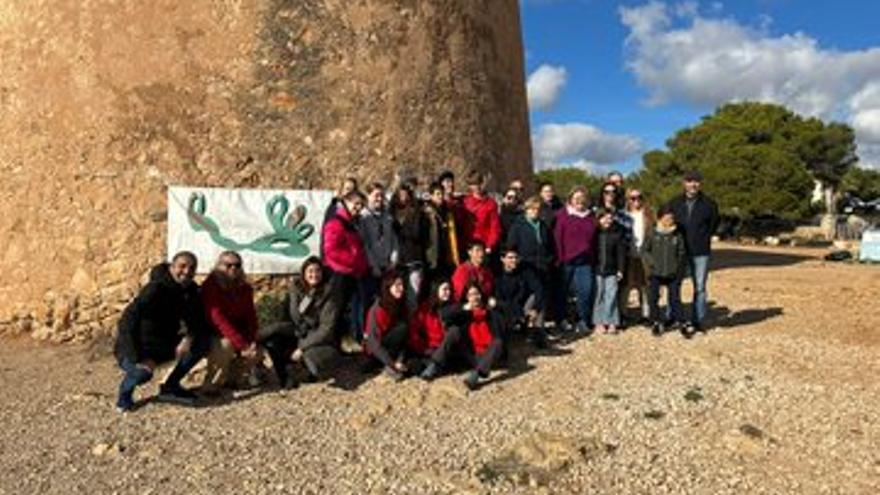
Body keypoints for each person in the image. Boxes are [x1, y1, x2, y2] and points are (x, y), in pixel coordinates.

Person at [113, 251, 209, 412]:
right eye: (182, 266)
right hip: (137, 347)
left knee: (202, 342)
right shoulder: (155, 289)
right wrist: (138, 357)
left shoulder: (190, 291)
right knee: (141, 374)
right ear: (172, 267)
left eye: (191, 268)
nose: (186, 271)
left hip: (163, 345)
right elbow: (127, 321)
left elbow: (197, 320)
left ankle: (170, 387)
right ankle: (124, 396)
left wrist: (188, 337)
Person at [258, 257, 340, 388]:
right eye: (310, 271)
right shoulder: (296, 289)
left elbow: (326, 330)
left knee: (314, 362)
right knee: (273, 340)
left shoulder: (329, 294)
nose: (314, 275)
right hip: (297, 331)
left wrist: (302, 348)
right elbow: (290, 317)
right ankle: (285, 377)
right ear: (304, 273)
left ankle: (308, 371)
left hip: (317, 338)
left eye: (317, 271)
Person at [666, 171, 720, 335]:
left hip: (700, 251)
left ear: (700, 184)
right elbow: (668, 223)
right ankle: (673, 316)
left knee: (700, 287)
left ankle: (698, 320)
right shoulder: (674, 203)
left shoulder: (709, 204)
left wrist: (702, 238)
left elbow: (713, 225)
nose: (693, 184)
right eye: (689, 181)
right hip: (679, 251)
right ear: (684, 183)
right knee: (675, 286)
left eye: (696, 181)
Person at [201, 251, 263, 391]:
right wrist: (242, 345)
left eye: (237, 265)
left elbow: (250, 316)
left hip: (236, 330)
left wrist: (251, 340)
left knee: (257, 348)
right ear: (218, 266)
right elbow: (218, 319)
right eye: (228, 265)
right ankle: (211, 385)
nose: (233, 269)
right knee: (225, 346)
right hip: (214, 331)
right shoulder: (211, 285)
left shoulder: (244, 288)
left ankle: (235, 378)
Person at [322, 190, 370, 348]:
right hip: (339, 274)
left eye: (361, 205)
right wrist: (354, 261)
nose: (358, 207)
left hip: (352, 273)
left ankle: (341, 344)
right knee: (336, 312)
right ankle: (332, 345)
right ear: (346, 202)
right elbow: (331, 250)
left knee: (346, 312)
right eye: (356, 203)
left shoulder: (352, 224)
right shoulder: (336, 223)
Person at [554, 187, 599, 333]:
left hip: (585, 262)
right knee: (562, 293)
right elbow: (557, 238)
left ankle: (583, 320)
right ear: (570, 199)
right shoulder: (562, 215)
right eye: (576, 197)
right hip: (566, 261)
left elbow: (595, 240)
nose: (579, 200)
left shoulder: (591, 216)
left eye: (582, 197)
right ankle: (562, 320)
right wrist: (559, 258)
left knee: (585, 291)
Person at [444, 282, 504, 390]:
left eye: (476, 294)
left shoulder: (490, 313)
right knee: (454, 332)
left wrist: (495, 306)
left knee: (498, 343)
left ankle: (477, 375)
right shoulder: (463, 312)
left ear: (481, 295)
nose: (474, 297)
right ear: (466, 297)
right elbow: (447, 317)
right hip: (471, 354)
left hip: (487, 355)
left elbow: (501, 329)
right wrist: (463, 309)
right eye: (470, 295)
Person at [506, 196, 555, 321]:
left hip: (543, 265)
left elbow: (550, 245)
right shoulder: (518, 226)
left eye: (538, 209)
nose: (535, 211)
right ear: (526, 210)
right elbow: (511, 246)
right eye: (532, 209)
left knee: (543, 295)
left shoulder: (543, 226)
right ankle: (527, 320)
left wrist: (550, 260)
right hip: (526, 265)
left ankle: (539, 326)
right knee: (535, 293)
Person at [641, 206, 687, 337]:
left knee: (675, 298)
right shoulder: (652, 232)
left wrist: (679, 268)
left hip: (673, 273)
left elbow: (681, 253)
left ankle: (680, 321)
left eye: (672, 218)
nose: (670, 221)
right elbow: (644, 250)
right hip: (655, 272)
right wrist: (651, 263)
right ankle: (655, 321)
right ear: (660, 218)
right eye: (667, 218)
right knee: (653, 298)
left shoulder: (677, 235)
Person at [409, 280, 467, 380]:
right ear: (436, 290)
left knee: (454, 331)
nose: (448, 292)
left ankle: (434, 365)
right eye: (444, 289)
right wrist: (423, 348)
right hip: (430, 348)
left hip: (449, 349)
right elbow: (414, 330)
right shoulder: (425, 307)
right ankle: (435, 365)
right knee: (414, 365)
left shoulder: (455, 306)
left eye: (449, 289)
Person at [494, 247, 547, 347]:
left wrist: (535, 308)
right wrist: (518, 313)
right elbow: (499, 299)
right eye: (510, 258)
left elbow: (538, 288)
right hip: (508, 308)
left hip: (524, 304)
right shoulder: (497, 276)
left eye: (516, 257)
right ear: (503, 259)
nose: (514, 260)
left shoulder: (525, 271)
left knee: (538, 297)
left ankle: (538, 334)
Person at [363, 271, 410, 381]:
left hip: (393, 347)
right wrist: (392, 363)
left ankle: (393, 364)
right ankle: (386, 364)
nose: (401, 288)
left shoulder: (401, 305)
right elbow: (373, 341)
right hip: (376, 349)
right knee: (402, 328)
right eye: (397, 285)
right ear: (388, 287)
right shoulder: (377, 309)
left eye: (402, 285)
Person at [390, 183, 427, 310]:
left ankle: (412, 324)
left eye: (406, 194)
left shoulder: (416, 211)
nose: (403, 197)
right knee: (396, 294)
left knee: (412, 296)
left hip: (414, 258)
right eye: (400, 194)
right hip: (396, 260)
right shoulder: (391, 211)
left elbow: (417, 233)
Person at [622, 189, 653, 324]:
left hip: (644, 255)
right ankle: (623, 314)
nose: (636, 201)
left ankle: (646, 315)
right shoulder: (624, 216)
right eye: (632, 198)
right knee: (626, 286)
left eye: (639, 197)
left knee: (645, 286)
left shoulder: (648, 215)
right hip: (628, 255)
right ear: (628, 200)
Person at [592, 209, 626, 334]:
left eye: (610, 218)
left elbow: (621, 254)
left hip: (612, 271)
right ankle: (599, 322)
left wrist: (620, 269)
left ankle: (612, 321)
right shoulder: (595, 234)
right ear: (599, 219)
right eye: (604, 218)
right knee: (599, 296)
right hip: (597, 270)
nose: (607, 221)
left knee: (611, 296)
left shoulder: (617, 234)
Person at [423, 181, 460, 282]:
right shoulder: (426, 213)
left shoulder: (447, 212)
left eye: (442, 194)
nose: (440, 197)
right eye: (437, 194)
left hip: (446, 256)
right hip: (432, 256)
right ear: (431, 195)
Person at [460, 170, 502, 256]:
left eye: (478, 183)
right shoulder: (465, 202)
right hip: (468, 246)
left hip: (484, 246)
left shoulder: (490, 203)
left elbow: (495, 227)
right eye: (473, 184)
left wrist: (490, 245)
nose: (477, 187)